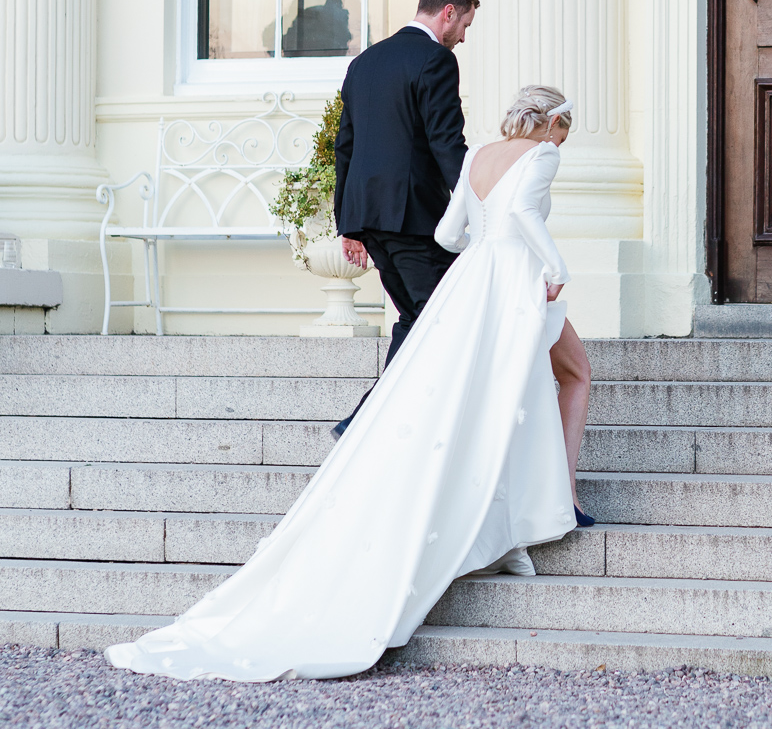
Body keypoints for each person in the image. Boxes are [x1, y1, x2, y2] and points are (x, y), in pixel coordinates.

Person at [104, 85, 583, 683]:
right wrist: (555, 268)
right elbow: (522, 217)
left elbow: (447, 236)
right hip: (512, 280)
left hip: (468, 283)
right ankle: (508, 533)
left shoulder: (478, 155)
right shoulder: (543, 155)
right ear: (553, 123)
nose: (567, 139)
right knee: (512, 398)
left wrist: (483, 251)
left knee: (478, 403)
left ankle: (503, 532)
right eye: (568, 128)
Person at [331, 0, 478, 437]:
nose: (461, 38)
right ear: (447, 13)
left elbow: (345, 147)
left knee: (419, 317)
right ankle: (368, 422)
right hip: (413, 219)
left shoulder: (365, 62)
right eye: (464, 26)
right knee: (440, 313)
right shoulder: (435, 60)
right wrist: (481, 206)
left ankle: (375, 424)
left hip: (369, 217)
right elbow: (446, 144)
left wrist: (348, 224)